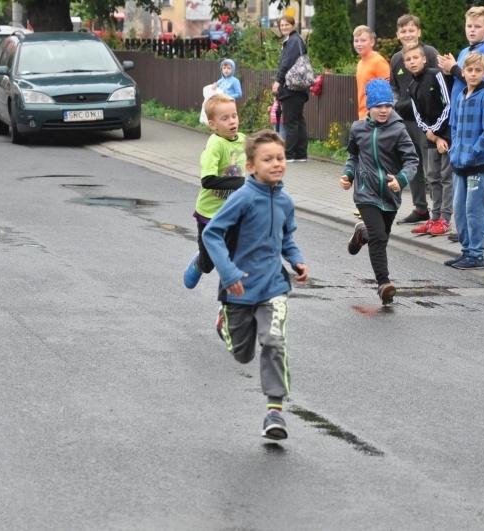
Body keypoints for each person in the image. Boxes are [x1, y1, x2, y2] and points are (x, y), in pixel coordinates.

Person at [202, 129, 308, 441]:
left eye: (280, 158)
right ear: (251, 166)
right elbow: (212, 233)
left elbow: (286, 238)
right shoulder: (243, 198)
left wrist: (296, 259)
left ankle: (275, 411)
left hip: (273, 286)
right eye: (268, 159)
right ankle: (225, 324)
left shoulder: (286, 201)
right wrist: (229, 273)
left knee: (274, 341)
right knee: (243, 354)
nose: (277, 164)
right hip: (239, 287)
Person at [341, 79, 419, 305]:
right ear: (369, 107)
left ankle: (361, 234)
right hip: (365, 192)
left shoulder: (398, 130)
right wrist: (349, 174)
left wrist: (401, 180)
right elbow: (353, 156)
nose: (384, 110)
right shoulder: (358, 128)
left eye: (387, 105)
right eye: (378, 106)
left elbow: (412, 160)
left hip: (390, 194)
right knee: (379, 237)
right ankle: (383, 284)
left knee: (379, 237)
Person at [438, 6, 484, 244]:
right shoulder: (465, 51)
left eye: (477, 26)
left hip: (476, 122)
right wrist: (448, 70)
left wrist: (454, 68)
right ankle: (465, 230)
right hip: (459, 117)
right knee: (462, 183)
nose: (472, 30)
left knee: (480, 178)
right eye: (469, 26)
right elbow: (459, 79)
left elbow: (476, 79)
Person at [183, 93, 247, 289]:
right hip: (210, 214)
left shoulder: (244, 140)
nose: (232, 121)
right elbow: (208, 180)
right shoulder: (215, 144)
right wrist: (240, 182)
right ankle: (200, 262)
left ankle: (233, 297)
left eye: (234, 116)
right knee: (209, 263)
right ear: (213, 124)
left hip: (233, 212)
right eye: (225, 118)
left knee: (236, 256)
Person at [443, 52, 484, 270]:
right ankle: (466, 250)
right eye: (469, 70)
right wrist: (455, 151)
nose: (473, 74)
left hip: (478, 164)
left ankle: (477, 254)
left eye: (478, 71)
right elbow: (455, 127)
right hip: (459, 163)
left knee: (474, 209)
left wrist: (472, 153)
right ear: (463, 72)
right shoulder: (460, 96)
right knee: (459, 208)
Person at [389, 14, 439, 225]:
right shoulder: (396, 59)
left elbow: (440, 83)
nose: (408, 34)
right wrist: (395, 104)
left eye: (411, 30)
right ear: (398, 35)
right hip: (406, 120)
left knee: (433, 167)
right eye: (403, 31)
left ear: (419, 32)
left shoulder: (429, 53)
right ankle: (420, 209)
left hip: (428, 122)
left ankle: (439, 213)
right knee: (412, 164)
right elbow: (394, 86)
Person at [401, 43, 454, 237]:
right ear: (405, 64)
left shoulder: (436, 75)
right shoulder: (412, 87)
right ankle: (435, 217)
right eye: (408, 59)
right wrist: (430, 133)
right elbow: (418, 116)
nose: (412, 62)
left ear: (424, 59)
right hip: (432, 136)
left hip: (446, 135)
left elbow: (448, 105)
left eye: (416, 58)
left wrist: (438, 133)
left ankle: (445, 219)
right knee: (432, 177)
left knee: (446, 177)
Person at [272, 15, 308, 162]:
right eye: (282, 25)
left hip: (292, 87)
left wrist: (278, 80)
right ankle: (300, 154)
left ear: (293, 25)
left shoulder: (293, 40)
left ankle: (289, 154)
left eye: (287, 24)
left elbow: (286, 62)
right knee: (298, 120)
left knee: (290, 121)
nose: (284, 27)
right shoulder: (296, 40)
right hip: (299, 87)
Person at [353, 25, 390, 120]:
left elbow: (388, 92)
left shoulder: (379, 62)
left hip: (374, 117)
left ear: (372, 42)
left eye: (363, 40)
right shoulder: (360, 63)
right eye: (356, 41)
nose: (359, 44)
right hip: (363, 115)